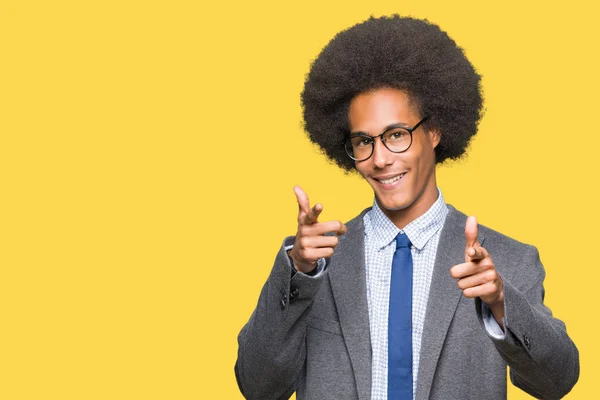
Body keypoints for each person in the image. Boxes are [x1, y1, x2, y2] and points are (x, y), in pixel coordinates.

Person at [234, 15, 579, 400]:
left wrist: (501, 304)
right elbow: (257, 387)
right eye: (364, 141)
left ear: (434, 131)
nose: (379, 159)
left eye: (396, 135)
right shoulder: (314, 264)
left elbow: (556, 383)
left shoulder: (509, 263)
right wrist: (298, 274)